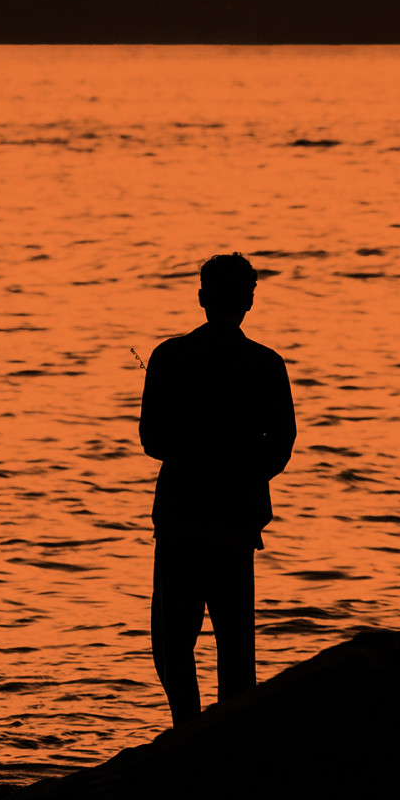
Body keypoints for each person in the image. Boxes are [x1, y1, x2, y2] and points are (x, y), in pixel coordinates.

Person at [138, 252, 295, 725]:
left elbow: (152, 439)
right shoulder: (265, 363)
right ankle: (230, 738)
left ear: (203, 297)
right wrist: (243, 473)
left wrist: (195, 454)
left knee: (172, 641)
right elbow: (282, 442)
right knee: (235, 645)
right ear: (249, 300)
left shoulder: (170, 356)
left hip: (181, 517)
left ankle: (186, 727)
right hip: (236, 519)